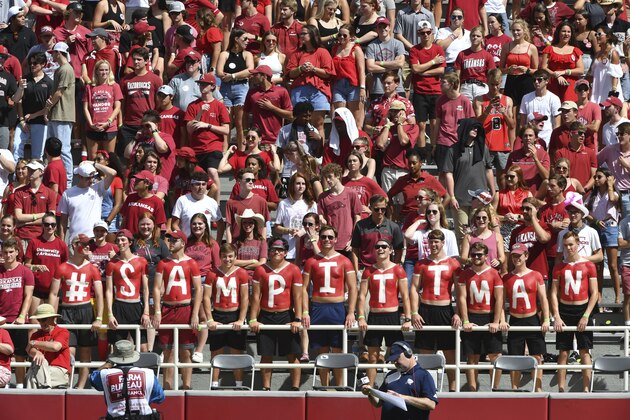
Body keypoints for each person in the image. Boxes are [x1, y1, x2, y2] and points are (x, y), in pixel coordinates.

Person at [302, 225, 357, 386]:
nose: (327, 240)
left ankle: (339, 387)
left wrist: (351, 312)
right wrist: (305, 311)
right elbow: (304, 289)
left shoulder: (344, 261)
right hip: (318, 308)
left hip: (337, 309)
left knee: (338, 352)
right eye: (324, 237)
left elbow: (353, 288)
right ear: (319, 238)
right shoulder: (312, 261)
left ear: (335, 239)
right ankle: (324, 388)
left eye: (330, 237)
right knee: (322, 352)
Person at [48, 234, 104, 389]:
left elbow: (99, 294)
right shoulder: (62, 267)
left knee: (86, 351)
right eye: (83, 244)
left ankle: (81, 386)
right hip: (66, 311)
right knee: (68, 350)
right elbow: (53, 294)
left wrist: (98, 317)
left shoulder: (93, 268)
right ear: (74, 245)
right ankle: (65, 383)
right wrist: (51, 317)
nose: (87, 247)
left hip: (85, 310)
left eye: (88, 244)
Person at [411, 229, 462, 392]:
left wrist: (458, 313)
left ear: (442, 243)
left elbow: (461, 292)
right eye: (431, 242)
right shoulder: (421, 264)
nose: (433, 245)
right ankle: (425, 390)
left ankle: (453, 390)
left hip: (445, 311)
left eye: (436, 242)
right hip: (425, 310)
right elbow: (413, 288)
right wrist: (414, 312)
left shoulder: (453, 264)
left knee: (450, 355)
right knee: (424, 356)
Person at [249, 237, 303, 391]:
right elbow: (256, 297)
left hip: (286, 315)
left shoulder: (293, 269)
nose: (276, 252)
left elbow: (298, 296)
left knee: (293, 354)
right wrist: (253, 319)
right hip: (266, 315)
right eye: (274, 249)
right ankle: (266, 388)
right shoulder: (261, 269)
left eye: (280, 249)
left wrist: (297, 318)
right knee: (266, 355)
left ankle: (295, 388)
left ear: (286, 252)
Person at [152, 230, 203, 390]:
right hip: (167, 309)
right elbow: (156, 288)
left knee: (186, 352)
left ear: (183, 242)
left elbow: (198, 289)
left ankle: (187, 386)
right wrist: (158, 311)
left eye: (174, 240)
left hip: (185, 309)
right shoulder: (163, 263)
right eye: (169, 239)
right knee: (168, 353)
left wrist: (195, 314)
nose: (171, 242)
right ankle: (167, 388)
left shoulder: (191, 263)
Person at [357, 238, 411, 386]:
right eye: (378, 247)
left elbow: (405, 296)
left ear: (391, 250)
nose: (380, 249)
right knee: (373, 356)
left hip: (392, 315)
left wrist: (408, 318)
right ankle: (370, 386)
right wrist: (361, 317)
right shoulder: (368, 271)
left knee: (397, 356)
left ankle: (399, 385)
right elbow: (361, 296)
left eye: (384, 247)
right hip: (374, 316)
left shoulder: (398, 269)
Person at [551, 231, 599, 392]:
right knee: (563, 352)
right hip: (564, 310)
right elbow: (553, 293)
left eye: (571, 244)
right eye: (565, 245)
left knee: (584, 351)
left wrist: (586, 315)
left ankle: (586, 389)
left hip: (582, 309)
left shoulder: (589, 265)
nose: (568, 248)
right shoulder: (559, 267)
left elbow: (594, 293)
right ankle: (561, 389)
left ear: (578, 244)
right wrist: (556, 316)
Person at [457, 242, 507, 392]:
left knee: (495, 356)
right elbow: (462, 298)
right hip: (472, 317)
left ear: (486, 256)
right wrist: (465, 320)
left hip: (489, 316)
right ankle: (472, 391)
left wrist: (496, 321)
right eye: (473, 254)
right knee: (472, 358)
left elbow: (499, 299)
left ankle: (495, 390)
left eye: (479, 254)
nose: (476, 257)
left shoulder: (494, 273)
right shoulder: (465, 273)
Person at [502, 242, 550, 392]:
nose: (516, 258)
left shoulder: (535, 275)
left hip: (532, 319)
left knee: (537, 356)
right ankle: (514, 389)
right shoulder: (506, 277)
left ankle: (538, 389)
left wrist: (546, 319)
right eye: (514, 256)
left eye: (519, 255)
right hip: (515, 320)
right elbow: (501, 303)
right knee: (515, 358)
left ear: (526, 256)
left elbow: (543, 299)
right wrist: (503, 319)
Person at [203, 243, 249, 389]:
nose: (227, 259)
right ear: (220, 257)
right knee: (216, 353)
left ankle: (239, 385)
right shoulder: (212, 273)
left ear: (235, 257)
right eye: (224, 256)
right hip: (218, 314)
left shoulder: (241, 273)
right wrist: (210, 319)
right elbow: (206, 298)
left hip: (235, 314)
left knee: (237, 353)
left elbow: (245, 298)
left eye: (230, 256)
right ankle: (214, 385)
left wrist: (241, 319)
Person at [445, 118, 496, 244]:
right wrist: (452, 196)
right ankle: (463, 263)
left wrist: (493, 190)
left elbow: (489, 170)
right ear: (465, 129)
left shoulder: (483, 148)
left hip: (480, 199)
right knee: (462, 235)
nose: (475, 130)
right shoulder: (453, 149)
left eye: (477, 128)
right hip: (460, 198)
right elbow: (448, 174)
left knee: (480, 232)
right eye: (473, 128)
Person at [361, 340, 438, 419]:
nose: (395, 362)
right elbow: (378, 403)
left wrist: (402, 397)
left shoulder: (423, 375)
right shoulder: (390, 375)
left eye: (397, 358)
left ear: (408, 353)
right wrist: (370, 393)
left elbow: (431, 404)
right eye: (393, 360)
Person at [91, 339, 165, 419]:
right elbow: (160, 397)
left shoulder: (104, 374)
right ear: (133, 356)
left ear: (114, 357)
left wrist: (108, 364)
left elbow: (92, 379)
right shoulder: (149, 373)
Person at [285, 24, 335, 140]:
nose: (301, 36)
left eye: (304, 33)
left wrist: (313, 69)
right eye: (300, 34)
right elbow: (289, 73)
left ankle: (319, 153)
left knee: (318, 124)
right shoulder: (297, 53)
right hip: (300, 90)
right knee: (300, 124)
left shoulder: (322, 52)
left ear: (312, 35)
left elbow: (328, 73)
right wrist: (300, 69)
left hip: (318, 90)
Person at [105, 229, 151, 350]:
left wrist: (146, 311)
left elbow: (146, 289)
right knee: (118, 348)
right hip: (119, 305)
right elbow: (109, 290)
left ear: (130, 242)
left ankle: (142, 369)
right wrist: (110, 314)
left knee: (143, 347)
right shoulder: (112, 264)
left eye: (123, 240)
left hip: (135, 305)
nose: (120, 243)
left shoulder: (141, 261)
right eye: (118, 240)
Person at [0, 238, 34, 388]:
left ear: (17, 252)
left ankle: (20, 385)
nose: (8, 255)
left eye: (11, 252)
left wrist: (22, 316)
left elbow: (28, 296)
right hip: (1, 320)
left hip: (18, 320)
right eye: (5, 252)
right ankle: (3, 382)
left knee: (20, 354)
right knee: (2, 353)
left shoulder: (25, 271)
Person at [586, 167, 621, 305]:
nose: (596, 179)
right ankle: (598, 295)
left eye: (599, 177)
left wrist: (611, 185)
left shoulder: (612, 193)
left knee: (612, 265)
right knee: (598, 265)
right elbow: (585, 212)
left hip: (610, 227)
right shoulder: (593, 195)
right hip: (596, 228)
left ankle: (618, 296)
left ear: (607, 178)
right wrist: (594, 221)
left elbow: (612, 199)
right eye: (595, 177)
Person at [59, 161, 117, 243]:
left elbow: (113, 173)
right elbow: (63, 221)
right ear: (79, 176)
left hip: (94, 239)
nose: (91, 180)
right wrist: (62, 242)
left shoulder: (98, 188)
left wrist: (93, 163)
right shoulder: (67, 193)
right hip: (75, 240)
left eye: (92, 177)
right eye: (87, 178)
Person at [216, 28, 255, 150]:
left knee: (240, 122)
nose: (247, 41)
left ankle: (241, 150)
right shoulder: (225, 54)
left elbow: (250, 70)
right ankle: (225, 150)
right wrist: (233, 76)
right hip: (226, 89)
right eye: (245, 39)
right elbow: (219, 72)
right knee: (226, 122)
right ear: (236, 39)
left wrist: (232, 76)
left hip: (241, 88)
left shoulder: (247, 54)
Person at [13, 52, 53, 161]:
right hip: (23, 121)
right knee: (16, 147)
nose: (32, 65)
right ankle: (17, 174)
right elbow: (17, 101)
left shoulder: (49, 83)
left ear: (43, 64)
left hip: (40, 122)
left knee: (37, 154)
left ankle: (36, 176)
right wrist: (22, 120)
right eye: (30, 63)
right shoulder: (25, 80)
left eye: (35, 63)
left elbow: (49, 106)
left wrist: (34, 115)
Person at [46, 42, 75, 189]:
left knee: (64, 149)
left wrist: (48, 106)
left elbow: (59, 92)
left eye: (54, 53)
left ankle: (68, 181)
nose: (52, 56)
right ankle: (54, 176)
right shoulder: (60, 70)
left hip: (63, 113)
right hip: (56, 114)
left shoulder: (66, 69)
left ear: (59, 53)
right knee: (52, 148)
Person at [318, 163, 362, 257]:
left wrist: (353, 239)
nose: (328, 180)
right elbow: (320, 216)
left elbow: (357, 217)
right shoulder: (322, 197)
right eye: (326, 177)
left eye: (330, 177)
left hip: (348, 243)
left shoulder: (351, 193)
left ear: (338, 175)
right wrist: (321, 219)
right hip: (330, 243)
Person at [243, 64, 293, 146]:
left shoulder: (281, 91)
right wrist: (245, 132)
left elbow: (290, 115)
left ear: (264, 76)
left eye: (256, 74)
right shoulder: (252, 93)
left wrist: (272, 108)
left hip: (277, 140)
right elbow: (245, 114)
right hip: (257, 140)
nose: (253, 76)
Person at [351, 194, 404, 270]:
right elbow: (355, 249)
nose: (380, 212)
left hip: (386, 269)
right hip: (365, 268)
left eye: (383, 209)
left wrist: (394, 269)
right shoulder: (360, 225)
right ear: (370, 208)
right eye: (376, 209)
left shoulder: (394, 227)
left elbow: (398, 251)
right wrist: (356, 271)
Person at [273, 172, 318, 259]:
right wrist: (289, 230)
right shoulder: (283, 203)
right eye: (298, 183)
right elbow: (277, 227)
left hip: (306, 246)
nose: (301, 186)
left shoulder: (311, 204)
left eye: (303, 184)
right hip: (288, 247)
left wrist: (303, 231)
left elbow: (316, 226)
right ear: (292, 185)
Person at [83, 59, 122, 159]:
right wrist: (91, 124)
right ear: (96, 71)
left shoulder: (114, 86)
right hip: (93, 127)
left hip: (109, 127)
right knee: (92, 158)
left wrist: (108, 122)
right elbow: (85, 108)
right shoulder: (89, 87)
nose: (104, 72)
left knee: (109, 158)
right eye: (101, 70)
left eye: (106, 70)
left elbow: (117, 107)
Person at [26, 303, 71, 389]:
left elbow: (55, 347)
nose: (42, 323)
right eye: (39, 320)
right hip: (43, 371)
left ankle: (32, 399)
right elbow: (29, 350)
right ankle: (45, 391)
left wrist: (34, 343)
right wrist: (37, 352)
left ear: (53, 318)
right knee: (37, 368)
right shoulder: (36, 335)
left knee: (32, 375)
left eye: (44, 319)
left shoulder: (63, 332)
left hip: (59, 372)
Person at [14, 160, 57, 247]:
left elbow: (50, 220)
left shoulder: (50, 193)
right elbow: (19, 216)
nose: (30, 172)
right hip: (23, 236)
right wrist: (42, 215)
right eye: (29, 169)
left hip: (42, 237)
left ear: (41, 172)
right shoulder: (19, 192)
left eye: (33, 170)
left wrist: (26, 223)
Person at [171, 170, 224, 239]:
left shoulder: (211, 202)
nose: (201, 187)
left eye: (204, 184)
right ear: (191, 186)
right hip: (187, 244)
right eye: (198, 184)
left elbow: (221, 225)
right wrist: (183, 239)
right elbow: (174, 224)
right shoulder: (182, 200)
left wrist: (218, 243)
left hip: (205, 245)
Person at [540, 20, 585, 102]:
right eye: (563, 31)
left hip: (570, 86)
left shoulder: (575, 50)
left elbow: (581, 70)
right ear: (558, 32)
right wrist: (556, 75)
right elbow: (543, 68)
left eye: (569, 32)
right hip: (552, 84)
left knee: (568, 109)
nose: (566, 34)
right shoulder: (549, 49)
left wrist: (564, 72)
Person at [331, 24, 366, 127]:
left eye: (345, 35)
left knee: (355, 121)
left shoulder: (356, 49)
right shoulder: (335, 49)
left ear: (351, 36)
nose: (341, 37)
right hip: (338, 85)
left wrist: (362, 88)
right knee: (341, 117)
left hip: (353, 85)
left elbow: (361, 70)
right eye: (340, 35)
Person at [500, 19, 538, 110]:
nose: (515, 32)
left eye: (518, 30)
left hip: (526, 80)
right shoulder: (506, 47)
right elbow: (500, 69)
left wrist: (527, 70)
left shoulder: (531, 47)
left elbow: (536, 70)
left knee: (527, 110)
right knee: (510, 110)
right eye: (513, 30)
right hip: (511, 80)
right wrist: (508, 70)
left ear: (524, 31)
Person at [365, 17, 405, 101]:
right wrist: (392, 66)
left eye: (385, 26)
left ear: (389, 28)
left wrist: (380, 63)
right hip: (378, 88)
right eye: (380, 27)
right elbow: (370, 67)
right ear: (376, 29)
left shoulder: (398, 44)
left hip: (397, 88)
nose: (383, 29)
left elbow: (400, 64)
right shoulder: (371, 46)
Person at [519, 70, 561, 146]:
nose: (536, 82)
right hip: (529, 140)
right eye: (534, 80)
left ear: (547, 81)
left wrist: (554, 143)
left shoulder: (554, 98)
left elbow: (557, 125)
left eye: (539, 79)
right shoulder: (525, 98)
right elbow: (522, 123)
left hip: (547, 139)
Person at [461, 206, 506, 273]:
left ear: (489, 220)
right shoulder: (468, 236)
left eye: (484, 218)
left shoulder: (497, 236)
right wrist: (472, 260)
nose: (481, 220)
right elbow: (463, 257)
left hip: (491, 273)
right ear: (475, 220)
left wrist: (498, 261)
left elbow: (502, 256)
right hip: (473, 273)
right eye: (478, 218)